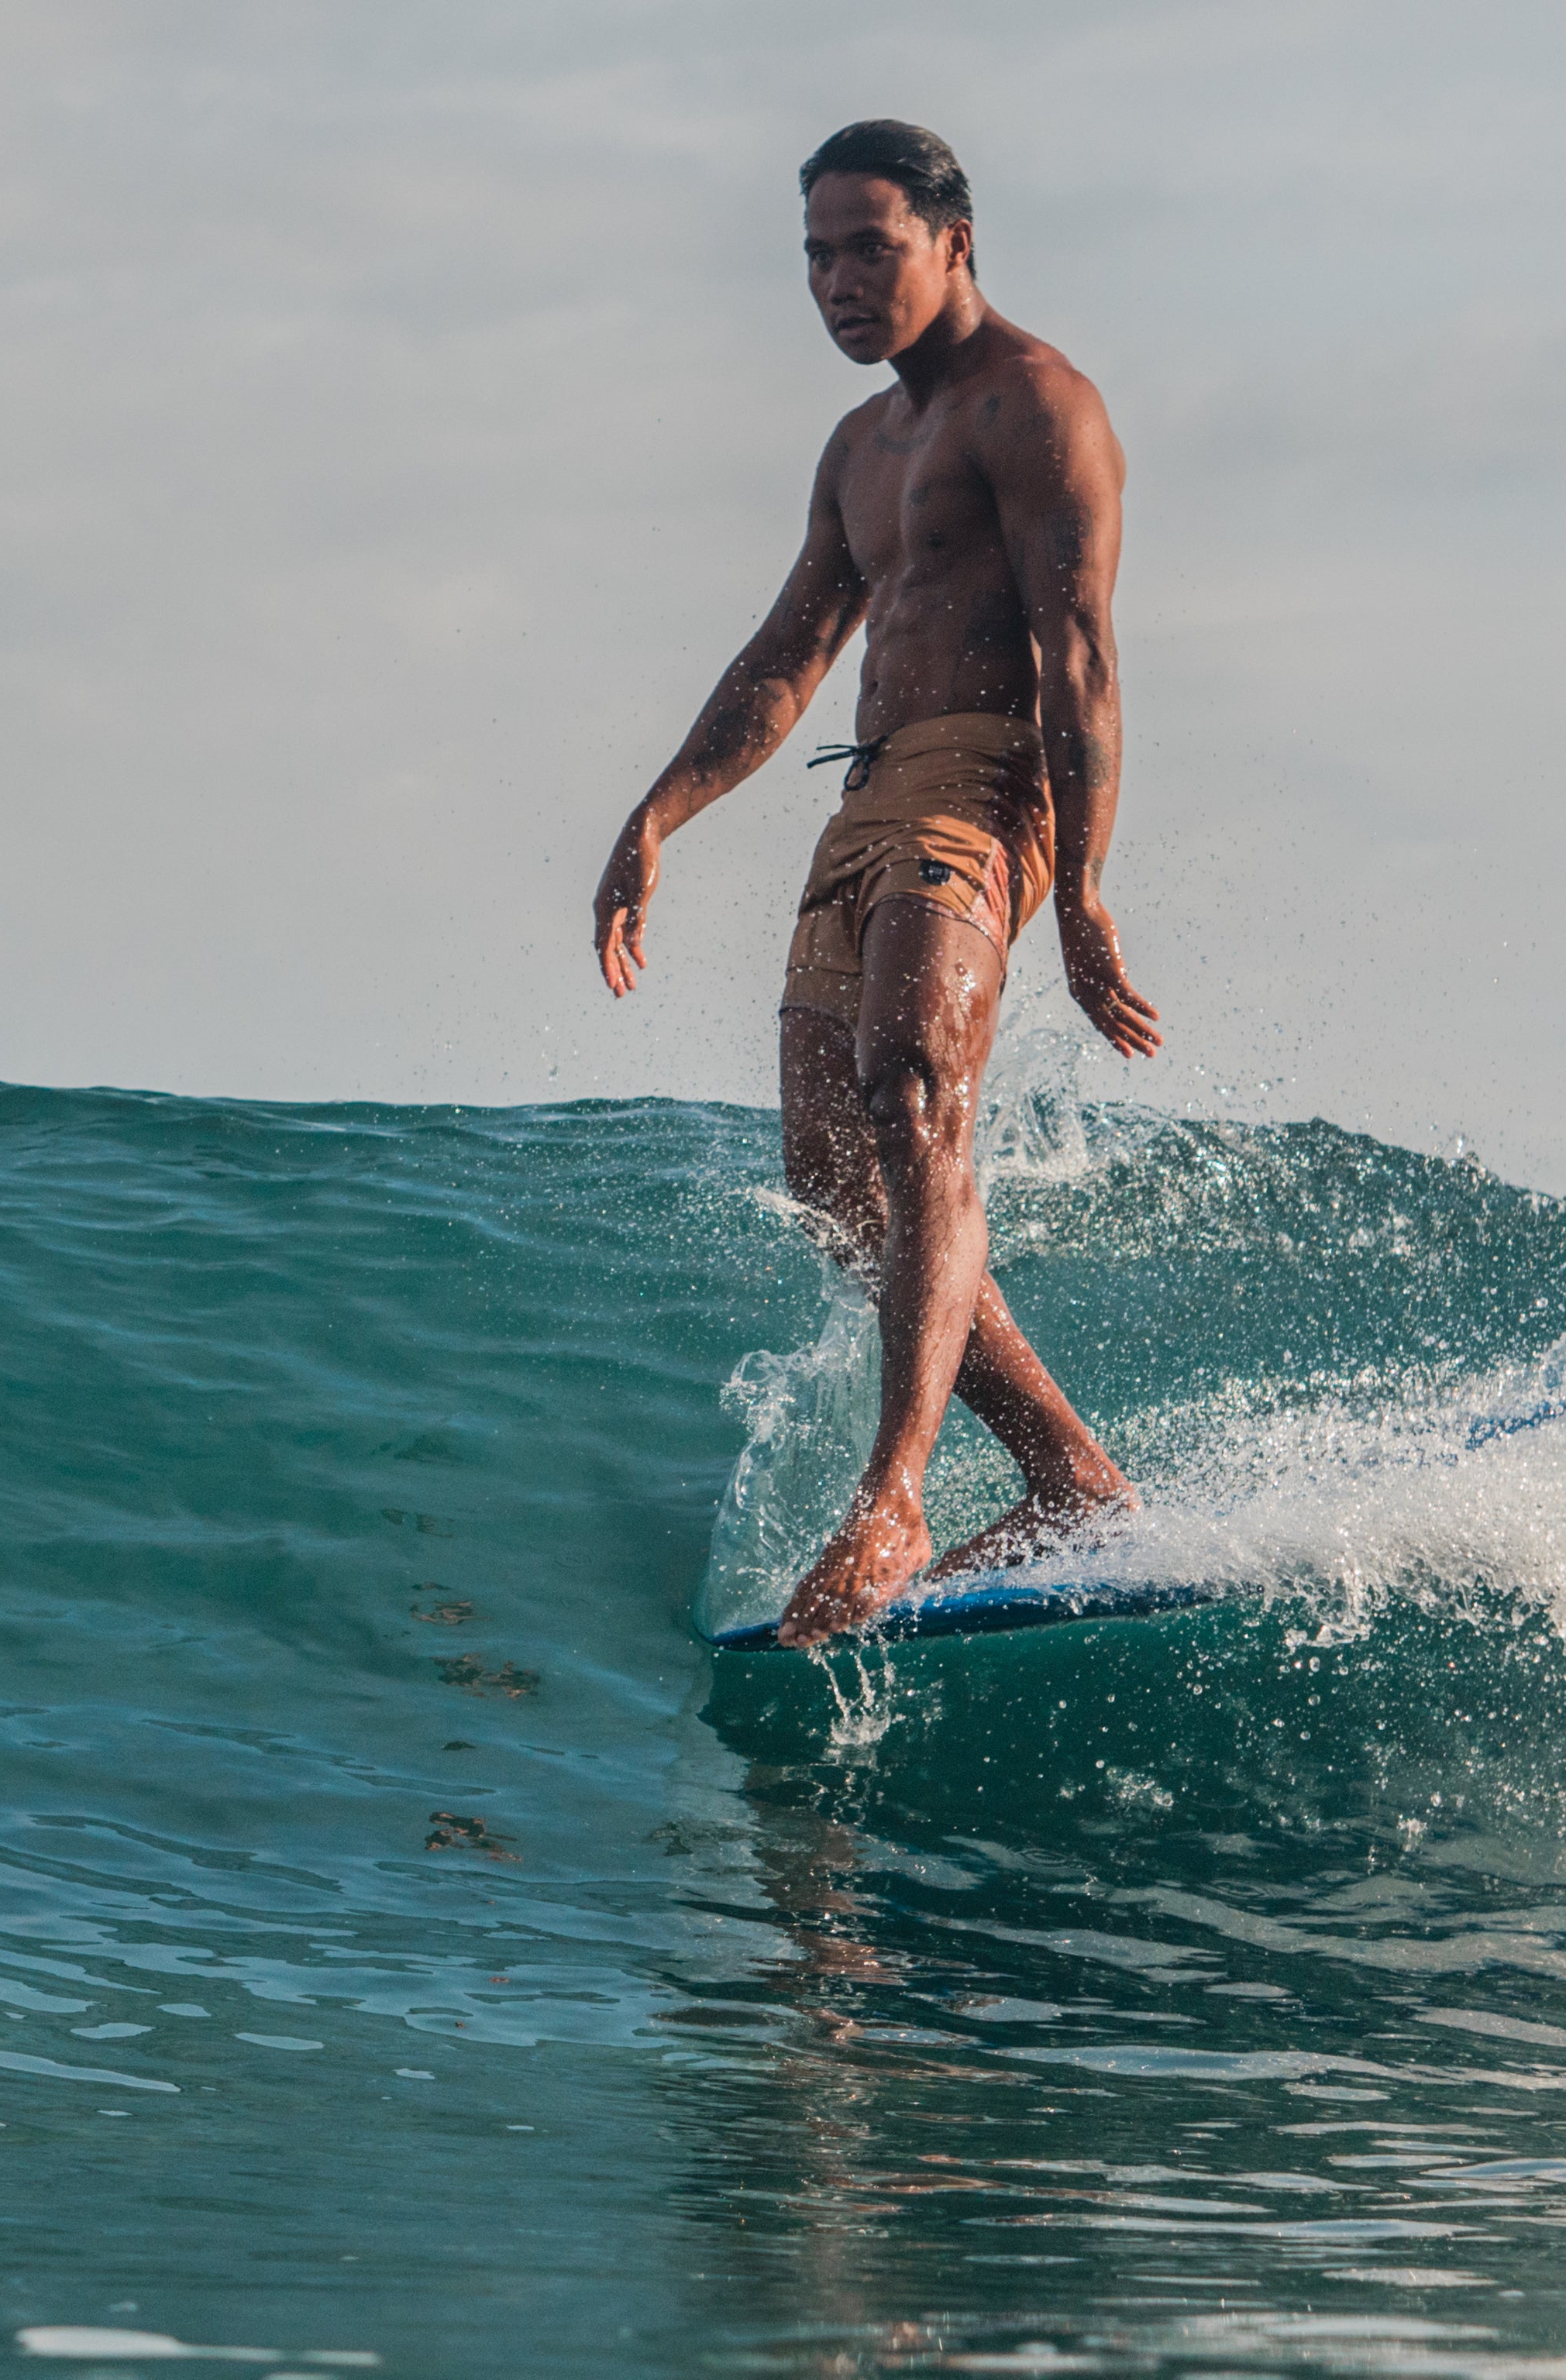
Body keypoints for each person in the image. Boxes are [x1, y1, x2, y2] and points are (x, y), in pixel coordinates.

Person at [591, 119, 1162, 1649]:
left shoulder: (1039, 408)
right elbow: (788, 659)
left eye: (870, 248)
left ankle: (895, 1495)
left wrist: (1087, 891)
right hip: (865, 794)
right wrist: (659, 817)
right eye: (817, 258)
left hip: (990, 775)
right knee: (832, 1175)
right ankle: (1069, 1474)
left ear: (954, 243)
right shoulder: (859, 449)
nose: (838, 283)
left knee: (915, 1094)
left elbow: (1084, 654)